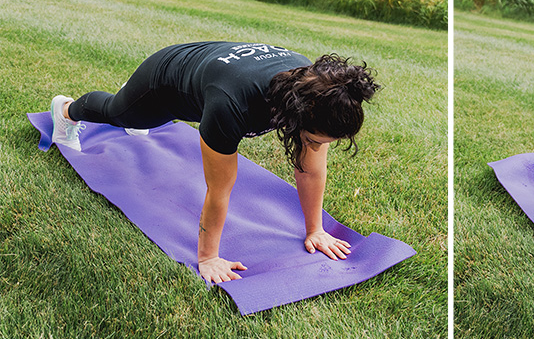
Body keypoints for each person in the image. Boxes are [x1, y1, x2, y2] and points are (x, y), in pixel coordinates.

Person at [49, 41, 380, 284]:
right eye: (318, 139)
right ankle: (65, 109)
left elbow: (310, 169)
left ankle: (137, 107)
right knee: (118, 114)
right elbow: (219, 188)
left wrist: (316, 230)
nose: (320, 147)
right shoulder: (232, 105)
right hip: (166, 79)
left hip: (211, 75)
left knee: (141, 118)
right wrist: (208, 258)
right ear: (297, 115)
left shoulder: (315, 89)